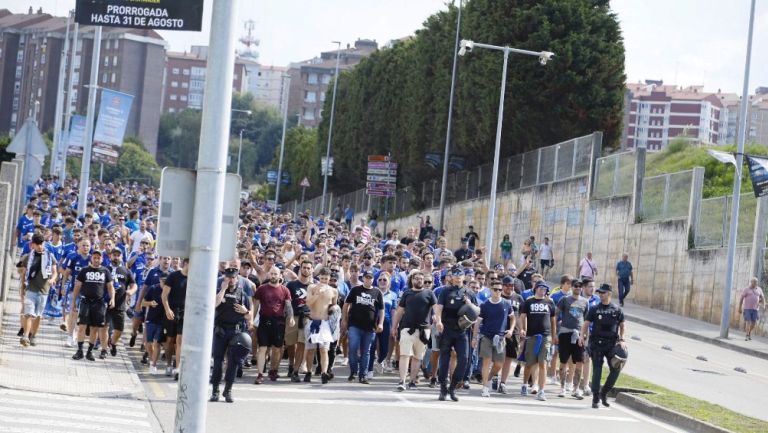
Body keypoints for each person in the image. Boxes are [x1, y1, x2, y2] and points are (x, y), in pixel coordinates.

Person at [210, 263, 254, 403]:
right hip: (221, 330)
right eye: (228, 277)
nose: (230, 280)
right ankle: (215, 390)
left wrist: (245, 311)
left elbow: (249, 317)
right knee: (217, 361)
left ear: (237, 279)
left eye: (233, 278)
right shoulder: (219, 290)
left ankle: (228, 390)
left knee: (233, 363)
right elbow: (214, 304)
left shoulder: (243, 295)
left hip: (236, 331)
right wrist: (222, 289)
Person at [579, 283, 626, 409]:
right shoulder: (594, 309)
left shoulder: (617, 310)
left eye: (603, 292)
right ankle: (595, 397)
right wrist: (582, 336)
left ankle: (604, 393)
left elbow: (622, 325)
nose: (600, 294)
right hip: (597, 344)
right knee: (597, 370)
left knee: (616, 369)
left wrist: (622, 340)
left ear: (609, 294)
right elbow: (586, 323)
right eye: (599, 292)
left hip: (611, 345)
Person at [434, 265, 476, 402]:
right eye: (455, 274)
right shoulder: (445, 291)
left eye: (460, 274)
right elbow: (438, 308)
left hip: (462, 330)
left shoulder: (469, 292)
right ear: (451, 277)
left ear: (464, 277)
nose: (458, 276)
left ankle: (453, 387)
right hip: (447, 329)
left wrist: (469, 304)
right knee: (444, 359)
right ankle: (443, 388)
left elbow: (477, 312)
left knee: (464, 359)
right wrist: (438, 322)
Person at [391, 270, 436, 391]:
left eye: (421, 279)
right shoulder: (407, 293)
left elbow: (436, 309)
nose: (419, 280)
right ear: (412, 280)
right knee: (405, 355)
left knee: (417, 357)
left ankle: (412, 381)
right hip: (407, 328)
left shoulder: (430, 293)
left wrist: (438, 320)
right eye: (416, 278)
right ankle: (402, 381)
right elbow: (399, 311)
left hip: (424, 330)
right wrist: (394, 327)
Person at [70, 251, 115, 361]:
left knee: (94, 328)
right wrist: (73, 301)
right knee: (82, 327)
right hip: (85, 301)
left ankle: (89, 351)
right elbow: (77, 286)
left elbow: (110, 287)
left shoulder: (105, 271)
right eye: (94, 258)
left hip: (99, 303)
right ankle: (79, 350)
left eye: (98, 258)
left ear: (102, 259)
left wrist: (112, 298)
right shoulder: (84, 270)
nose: (96, 260)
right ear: (91, 258)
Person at [253, 266, 294, 384]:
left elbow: (288, 305)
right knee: (262, 348)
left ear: (280, 275)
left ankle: (273, 370)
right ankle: (260, 374)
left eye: (276, 274)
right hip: (264, 321)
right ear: (268, 275)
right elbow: (255, 305)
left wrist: (291, 317)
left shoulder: (285, 290)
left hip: (279, 322)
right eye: (271, 273)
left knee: (277, 349)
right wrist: (251, 319)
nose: (273, 276)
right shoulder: (261, 289)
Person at [474, 279, 514, 397]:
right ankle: (485, 387)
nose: (497, 292)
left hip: (501, 338)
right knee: (486, 361)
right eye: (495, 289)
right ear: (490, 290)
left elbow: (512, 318)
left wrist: (511, 330)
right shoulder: (485, 304)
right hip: (486, 336)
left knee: (498, 364)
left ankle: (489, 378)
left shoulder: (506, 303)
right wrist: (475, 338)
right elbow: (478, 322)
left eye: (500, 290)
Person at [342, 270, 383, 384]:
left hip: (370, 327)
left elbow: (381, 310)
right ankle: (354, 371)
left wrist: (380, 323)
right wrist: (344, 320)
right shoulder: (355, 290)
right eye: (366, 277)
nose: (368, 279)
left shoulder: (377, 292)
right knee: (353, 348)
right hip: (354, 325)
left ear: (373, 279)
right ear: (363, 278)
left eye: (370, 277)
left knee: (366, 351)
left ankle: (363, 375)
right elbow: (346, 305)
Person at [519, 280, 557, 401]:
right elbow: (522, 317)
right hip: (532, 336)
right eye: (540, 288)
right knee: (529, 363)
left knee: (543, 363)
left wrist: (553, 335)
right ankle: (525, 384)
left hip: (545, 336)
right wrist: (522, 329)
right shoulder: (529, 302)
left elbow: (553, 320)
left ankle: (541, 390)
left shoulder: (550, 302)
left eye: (545, 288)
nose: (542, 290)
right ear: (536, 288)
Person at [19, 233, 58, 347]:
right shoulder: (28, 257)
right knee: (28, 314)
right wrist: (22, 288)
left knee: (38, 315)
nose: (40, 246)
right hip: (31, 288)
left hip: (44, 290)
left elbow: (55, 271)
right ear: (33, 245)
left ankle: (33, 336)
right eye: (37, 244)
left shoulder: (50, 256)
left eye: (41, 244)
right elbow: (23, 272)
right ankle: (25, 336)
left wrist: (53, 279)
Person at [304, 267, 339, 384]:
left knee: (324, 350)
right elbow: (308, 303)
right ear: (319, 277)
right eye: (322, 278)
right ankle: (309, 371)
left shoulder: (333, 291)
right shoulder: (312, 287)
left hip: (325, 323)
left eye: (326, 278)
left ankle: (324, 372)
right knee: (310, 350)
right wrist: (317, 294)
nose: (324, 280)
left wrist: (333, 309)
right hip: (312, 321)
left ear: (329, 279)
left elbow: (334, 305)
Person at [556, 279, 588, 399]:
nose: (578, 288)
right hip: (565, 333)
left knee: (579, 362)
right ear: (572, 287)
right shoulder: (564, 299)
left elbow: (586, 321)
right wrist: (555, 333)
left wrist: (585, 337)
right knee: (563, 361)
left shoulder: (585, 302)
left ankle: (576, 388)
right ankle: (562, 388)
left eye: (580, 286)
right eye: (576, 286)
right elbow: (556, 315)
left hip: (579, 334)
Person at [161, 258, 189, 380]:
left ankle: (178, 368)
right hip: (172, 312)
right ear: (185, 264)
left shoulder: (194, 277)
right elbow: (164, 295)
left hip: (186, 314)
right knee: (169, 340)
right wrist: (167, 309)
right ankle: (168, 363)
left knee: (179, 340)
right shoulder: (173, 276)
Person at [285, 259, 312, 382]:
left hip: (306, 318)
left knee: (301, 344)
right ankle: (291, 364)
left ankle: (296, 371)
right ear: (300, 268)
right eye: (304, 267)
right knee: (290, 344)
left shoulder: (313, 286)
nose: (306, 269)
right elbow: (287, 302)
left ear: (311, 270)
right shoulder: (291, 285)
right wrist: (290, 316)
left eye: (308, 268)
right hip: (293, 316)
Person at [106, 248, 136, 356]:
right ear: (110, 256)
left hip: (120, 303)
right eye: (114, 255)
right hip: (106, 303)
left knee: (119, 330)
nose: (116, 257)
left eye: (118, 255)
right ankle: (104, 350)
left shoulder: (126, 270)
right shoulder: (105, 269)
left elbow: (134, 284)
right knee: (104, 327)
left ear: (121, 257)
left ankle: (113, 343)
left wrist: (131, 291)